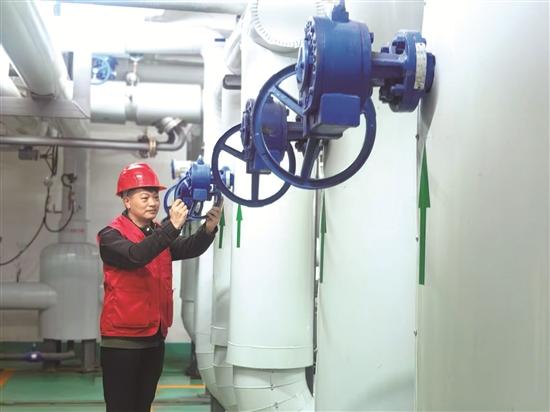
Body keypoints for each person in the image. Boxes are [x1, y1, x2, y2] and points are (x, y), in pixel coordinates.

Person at [97, 162, 222, 412]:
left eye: (155, 197)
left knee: (143, 405)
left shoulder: (156, 233)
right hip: (122, 342)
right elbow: (136, 255)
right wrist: (171, 227)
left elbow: (187, 248)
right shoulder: (111, 236)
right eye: (145, 198)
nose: (153, 203)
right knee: (122, 407)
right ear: (127, 201)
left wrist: (208, 229)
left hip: (154, 338)